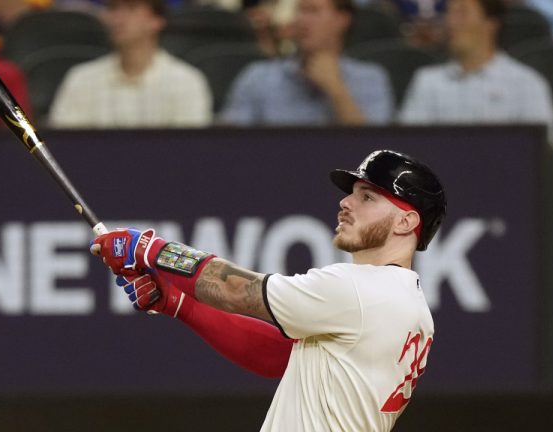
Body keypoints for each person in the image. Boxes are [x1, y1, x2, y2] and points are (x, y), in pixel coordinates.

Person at [90, 149, 446, 431]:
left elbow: (234, 289)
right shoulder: (403, 303)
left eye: (368, 197)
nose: (346, 203)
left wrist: (148, 249)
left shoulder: (362, 290)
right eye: (351, 193)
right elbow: (278, 356)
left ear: (406, 221)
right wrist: (178, 303)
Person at [399, 0, 553, 143]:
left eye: (462, 13)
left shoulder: (526, 84)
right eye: (448, 13)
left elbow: (541, 152)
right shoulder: (427, 82)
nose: (451, 22)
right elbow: (410, 147)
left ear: (491, 22)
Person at [218, 0, 393, 126]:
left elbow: (372, 151)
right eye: (300, 11)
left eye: (313, 11)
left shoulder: (371, 78)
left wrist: (336, 89)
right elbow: (230, 145)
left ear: (343, 19)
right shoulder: (257, 77)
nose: (302, 20)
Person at [47, 0, 212, 128]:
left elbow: (190, 152)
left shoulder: (187, 82)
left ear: (157, 20)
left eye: (131, 8)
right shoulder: (81, 79)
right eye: (113, 8)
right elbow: (65, 148)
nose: (118, 18)